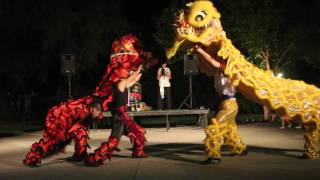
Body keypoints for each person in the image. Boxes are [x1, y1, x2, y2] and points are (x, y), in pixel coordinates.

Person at [194, 44, 247, 165]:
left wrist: (200, 50)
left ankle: (214, 156)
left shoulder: (229, 69)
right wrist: (198, 51)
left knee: (214, 127)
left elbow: (211, 61)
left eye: (221, 56)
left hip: (230, 105)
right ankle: (239, 147)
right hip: (223, 103)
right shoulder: (218, 71)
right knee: (229, 129)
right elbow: (207, 64)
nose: (218, 57)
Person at [85, 66, 147, 166]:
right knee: (114, 141)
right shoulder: (120, 83)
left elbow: (135, 79)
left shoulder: (122, 84)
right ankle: (94, 158)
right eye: (126, 72)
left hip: (123, 117)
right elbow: (132, 78)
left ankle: (138, 152)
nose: (128, 73)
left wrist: (142, 70)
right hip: (120, 117)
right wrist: (139, 69)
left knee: (137, 133)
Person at [23, 97, 104, 167]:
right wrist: (64, 134)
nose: (99, 115)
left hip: (62, 119)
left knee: (81, 131)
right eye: (98, 113)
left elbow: (80, 126)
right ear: (93, 109)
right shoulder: (83, 110)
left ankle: (80, 155)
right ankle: (32, 157)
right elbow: (64, 116)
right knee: (52, 143)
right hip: (57, 119)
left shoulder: (86, 111)